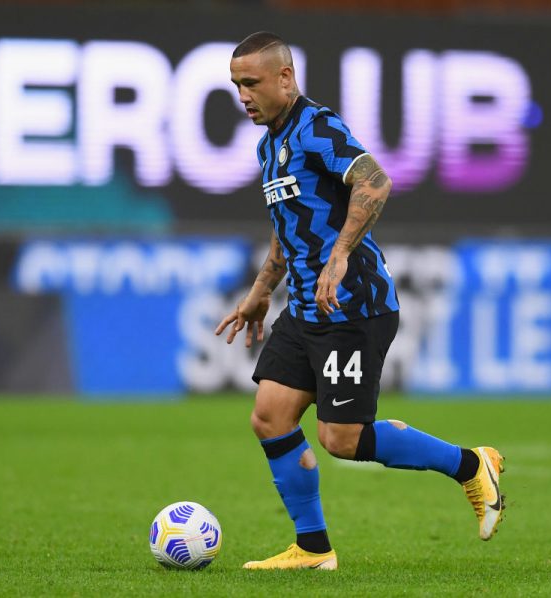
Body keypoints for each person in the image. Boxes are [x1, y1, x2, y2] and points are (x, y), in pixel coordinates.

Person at [215, 31, 505, 571]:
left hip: (353, 306)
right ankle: (313, 549)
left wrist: (342, 252)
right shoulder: (268, 145)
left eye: (251, 82)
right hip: (306, 308)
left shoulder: (316, 126)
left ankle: (470, 464)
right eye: (236, 85)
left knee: (341, 439)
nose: (243, 95)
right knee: (270, 416)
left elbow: (374, 181)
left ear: (285, 77)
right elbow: (289, 223)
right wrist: (261, 290)